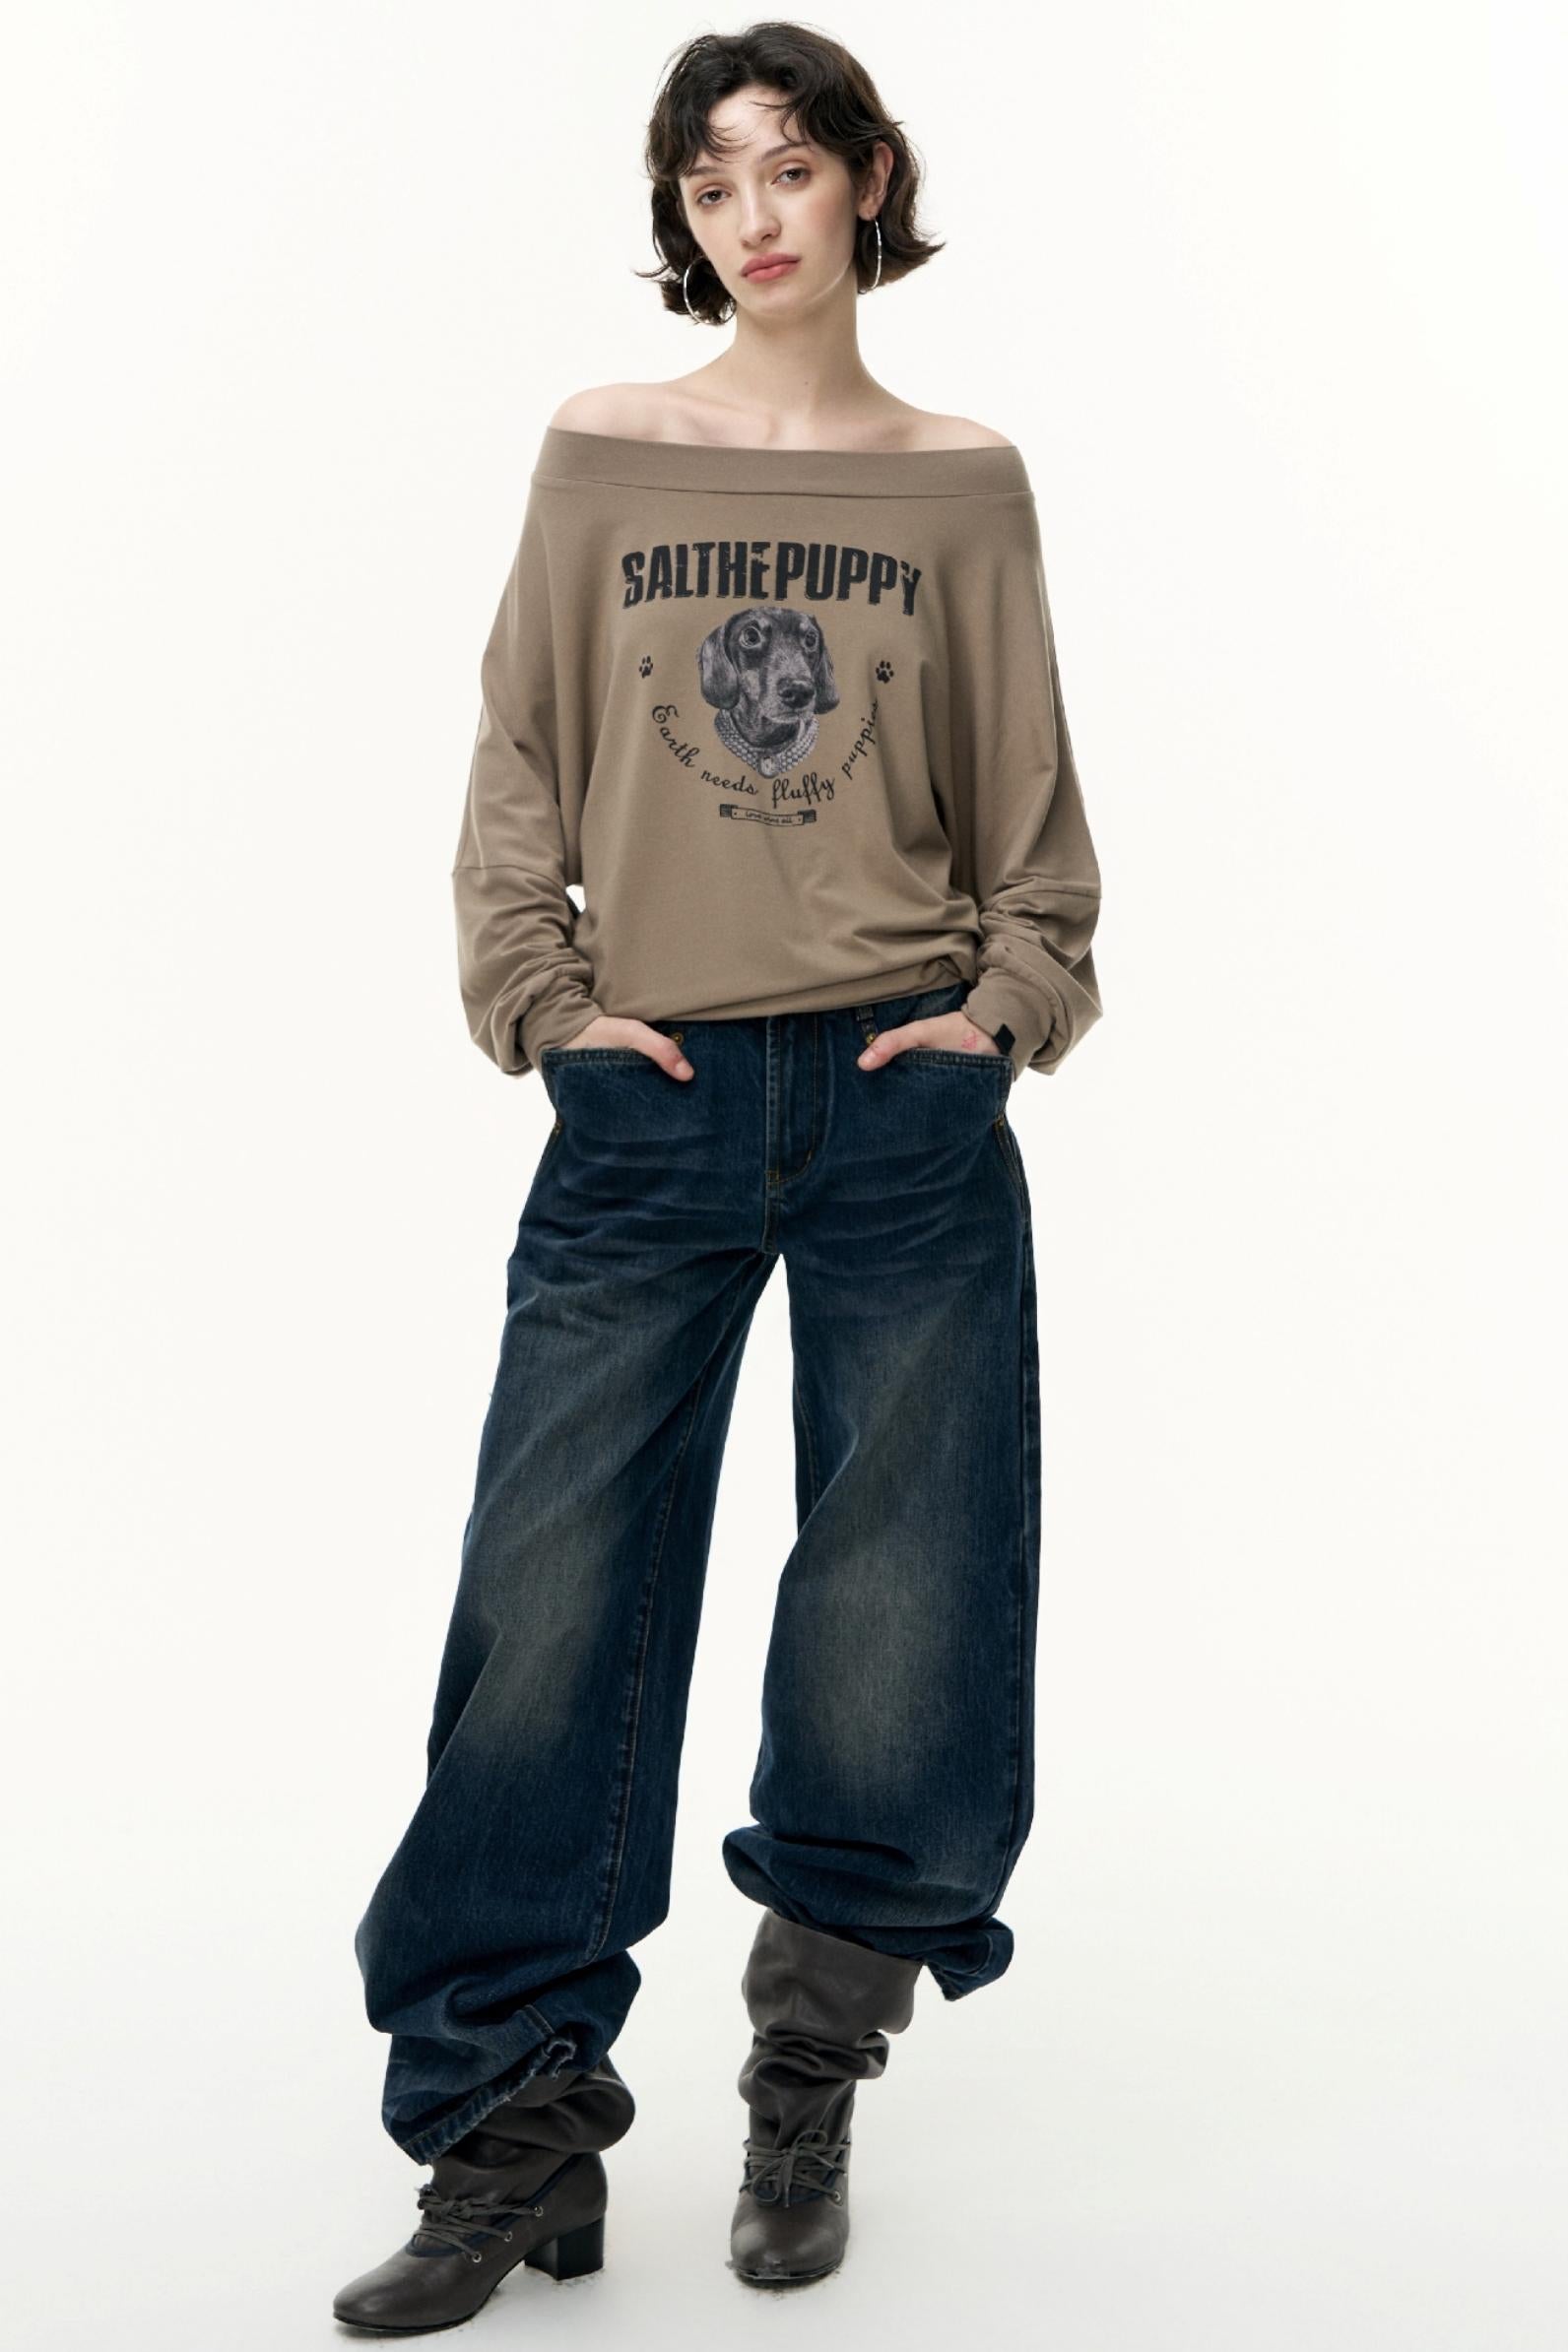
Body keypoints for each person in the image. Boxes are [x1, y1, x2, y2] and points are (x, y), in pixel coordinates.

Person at [334, 20, 1103, 2331]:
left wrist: (1003, 1010)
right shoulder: (602, 449)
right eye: (707, 182)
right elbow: (519, 753)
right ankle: (509, 2116)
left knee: (906, 1605)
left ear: (868, 179)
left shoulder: (961, 481)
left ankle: (810, 2054)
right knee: (547, 1602)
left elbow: (1030, 814)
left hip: (897, 1096)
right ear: (679, 218)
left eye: (788, 167)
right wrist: (543, 1006)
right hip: (649, 1096)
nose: (752, 216)